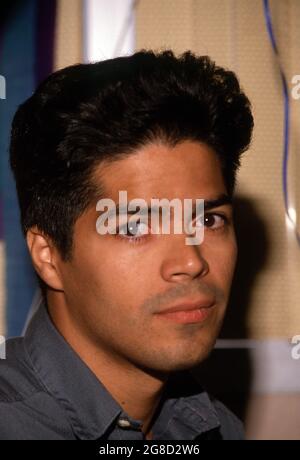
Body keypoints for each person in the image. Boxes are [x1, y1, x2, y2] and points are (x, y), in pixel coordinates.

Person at [0, 50, 253, 440]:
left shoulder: (216, 427)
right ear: (48, 257)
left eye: (207, 219)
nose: (190, 260)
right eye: (135, 226)